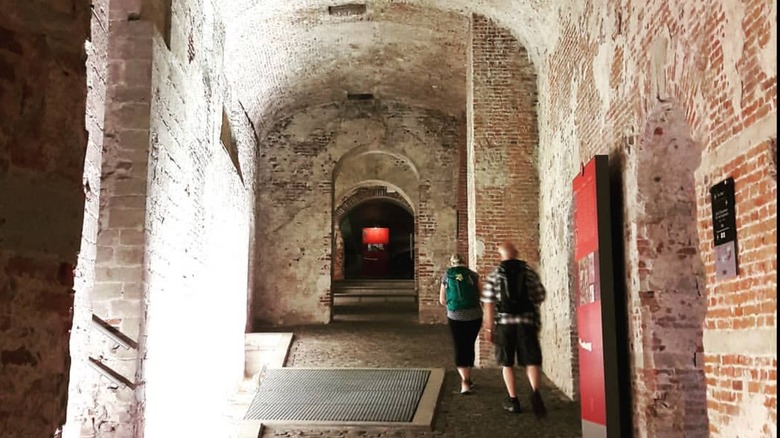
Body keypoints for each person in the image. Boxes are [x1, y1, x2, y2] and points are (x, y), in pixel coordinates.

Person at [481, 241, 547, 418]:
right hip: (526, 323)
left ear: (500, 255)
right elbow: (540, 295)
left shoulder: (495, 274)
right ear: (516, 253)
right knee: (531, 360)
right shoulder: (528, 272)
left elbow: (488, 304)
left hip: (504, 325)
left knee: (506, 362)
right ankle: (535, 392)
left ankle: (513, 400)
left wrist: (489, 328)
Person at [439, 254, 483, 394]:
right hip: (474, 315)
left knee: (459, 346)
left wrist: (453, 304)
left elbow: (442, 300)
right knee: (469, 345)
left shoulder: (447, 276)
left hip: (455, 316)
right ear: (464, 262)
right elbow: (482, 295)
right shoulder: (473, 275)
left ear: (452, 263)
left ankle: (465, 381)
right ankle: (468, 377)